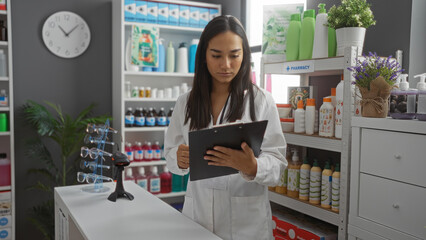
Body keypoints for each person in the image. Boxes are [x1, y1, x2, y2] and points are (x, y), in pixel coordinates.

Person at [164, 15, 287, 240]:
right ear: (203, 56)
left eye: (234, 55)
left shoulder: (261, 101)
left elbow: (278, 164)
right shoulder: (186, 102)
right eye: (216, 55)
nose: (226, 65)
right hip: (198, 219)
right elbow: (170, 153)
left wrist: (252, 166)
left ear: (244, 56)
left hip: (246, 226)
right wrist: (179, 158)